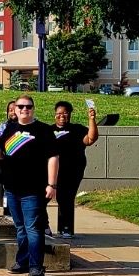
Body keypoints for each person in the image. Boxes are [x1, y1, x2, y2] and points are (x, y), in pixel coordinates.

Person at [0, 96, 59, 276]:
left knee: (33, 228)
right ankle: (23, 261)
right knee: (20, 228)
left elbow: (53, 158)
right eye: (21, 107)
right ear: (14, 110)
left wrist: (51, 184)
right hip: (11, 188)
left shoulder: (44, 130)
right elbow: (0, 155)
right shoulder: (9, 128)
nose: (25, 109)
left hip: (33, 189)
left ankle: (36, 266)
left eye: (28, 106)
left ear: (33, 109)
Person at [52, 100, 98, 238]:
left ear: (70, 114)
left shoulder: (77, 129)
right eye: (59, 113)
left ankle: (66, 228)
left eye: (65, 113)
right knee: (56, 197)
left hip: (73, 169)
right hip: (54, 170)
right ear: (55, 115)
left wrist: (92, 119)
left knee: (67, 197)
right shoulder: (48, 130)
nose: (62, 116)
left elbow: (91, 139)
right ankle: (49, 227)